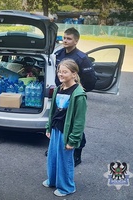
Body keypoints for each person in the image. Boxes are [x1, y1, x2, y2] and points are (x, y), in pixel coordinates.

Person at [45, 27, 97, 167]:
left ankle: (77, 153)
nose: (65, 41)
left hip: (73, 95)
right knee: (58, 119)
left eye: (69, 38)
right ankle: (55, 147)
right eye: (64, 37)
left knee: (74, 123)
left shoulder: (82, 58)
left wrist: (78, 91)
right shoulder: (59, 53)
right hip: (61, 92)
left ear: (76, 41)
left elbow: (91, 80)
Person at [43, 58, 87, 197]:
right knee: (53, 157)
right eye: (59, 72)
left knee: (65, 160)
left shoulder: (79, 95)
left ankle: (67, 187)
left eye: (65, 72)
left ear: (74, 74)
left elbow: (79, 121)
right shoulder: (58, 89)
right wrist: (49, 127)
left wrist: (72, 140)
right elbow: (54, 112)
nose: (60, 74)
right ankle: (53, 181)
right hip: (56, 129)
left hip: (66, 133)